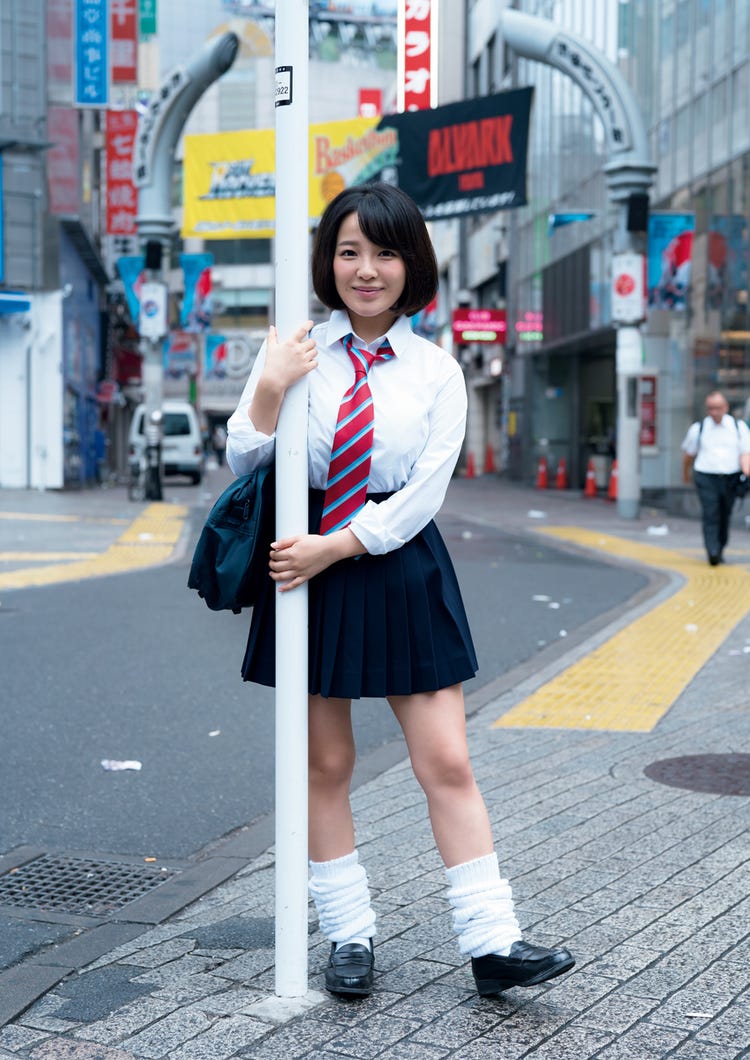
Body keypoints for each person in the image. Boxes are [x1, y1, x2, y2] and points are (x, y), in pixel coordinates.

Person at [226, 183, 574, 999]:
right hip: (304, 565)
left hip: (395, 561)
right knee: (327, 762)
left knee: (446, 759)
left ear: (410, 263)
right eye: (349, 251)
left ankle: (493, 944)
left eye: (384, 252)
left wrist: (336, 546)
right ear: (329, 261)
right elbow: (247, 456)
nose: (366, 269)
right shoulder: (296, 347)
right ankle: (349, 934)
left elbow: (424, 492)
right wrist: (273, 383)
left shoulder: (437, 371)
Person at [681, 390, 750, 565]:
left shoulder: (738, 427)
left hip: (731, 478)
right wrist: (685, 474)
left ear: (725, 408)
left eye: (718, 408)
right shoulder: (699, 428)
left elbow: (745, 453)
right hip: (706, 476)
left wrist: (746, 472)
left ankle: (720, 547)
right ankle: (712, 550)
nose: (714, 412)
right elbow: (689, 455)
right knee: (710, 513)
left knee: (724, 513)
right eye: (710, 408)